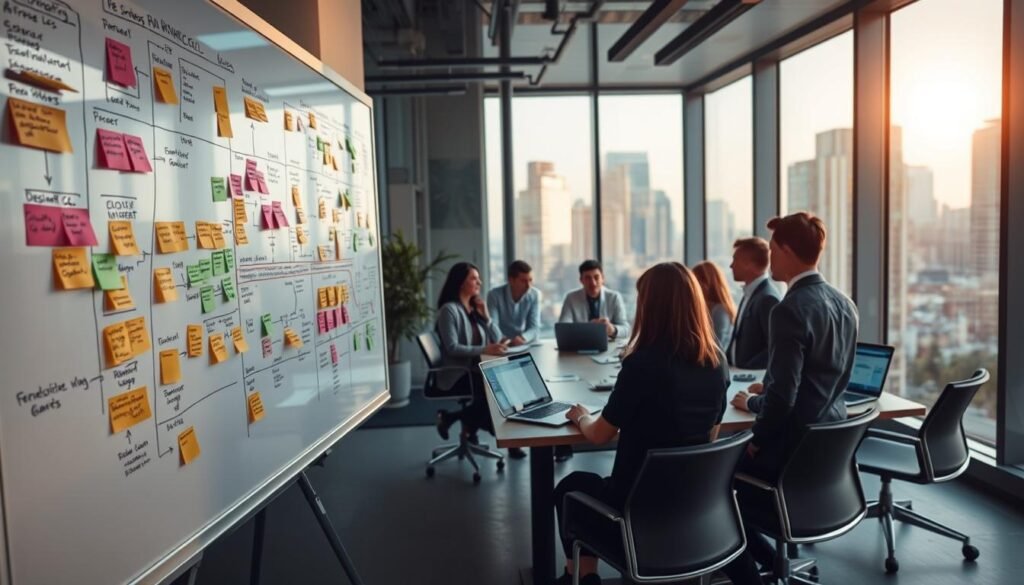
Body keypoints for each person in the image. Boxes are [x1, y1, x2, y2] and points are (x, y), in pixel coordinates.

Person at [551, 263, 763, 585]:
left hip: (636, 509)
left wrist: (581, 416)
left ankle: (581, 575)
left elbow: (598, 434)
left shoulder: (640, 365)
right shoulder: (716, 361)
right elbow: (711, 434)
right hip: (692, 504)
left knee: (570, 486)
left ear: (650, 306)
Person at [729, 212, 859, 572]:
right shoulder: (845, 303)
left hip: (790, 448)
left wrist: (757, 437)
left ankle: (756, 565)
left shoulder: (789, 309)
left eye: (772, 249)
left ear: (786, 250)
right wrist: (768, 388)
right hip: (827, 443)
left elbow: (784, 399)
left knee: (712, 479)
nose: (770, 257)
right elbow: (822, 376)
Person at [434, 262, 509, 442]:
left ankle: (457, 422)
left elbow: (500, 339)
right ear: (461, 282)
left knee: (500, 385)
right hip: (458, 374)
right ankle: (489, 430)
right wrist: (484, 349)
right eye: (474, 278)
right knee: (495, 393)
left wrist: (487, 317)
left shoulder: (473, 310)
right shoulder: (449, 310)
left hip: (474, 369)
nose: (479, 282)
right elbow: (452, 347)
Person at [726, 237, 782, 369]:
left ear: (749, 265)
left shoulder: (768, 298)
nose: (731, 265)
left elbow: (774, 348)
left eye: (735, 260)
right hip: (739, 374)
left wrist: (746, 368)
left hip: (750, 378)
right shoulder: (750, 293)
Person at [558, 259, 630, 340]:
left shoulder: (615, 297)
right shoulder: (571, 298)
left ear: (603, 278)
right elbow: (563, 329)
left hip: (608, 346)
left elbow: (626, 330)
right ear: (581, 280)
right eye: (588, 278)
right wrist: (588, 327)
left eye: (596, 277)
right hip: (579, 345)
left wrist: (612, 329)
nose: (593, 283)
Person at [487, 260, 541, 346]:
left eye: (530, 280)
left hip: (523, 343)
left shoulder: (535, 294)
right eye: (523, 281)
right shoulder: (494, 295)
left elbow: (534, 327)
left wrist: (523, 338)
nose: (528, 286)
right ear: (511, 280)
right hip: (500, 343)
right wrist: (503, 339)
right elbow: (493, 325)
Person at [692, 261, 737, 349]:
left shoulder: (720, 310)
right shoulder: (703, 308)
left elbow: (718, 346)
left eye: (695, 283)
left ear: (706, 284)